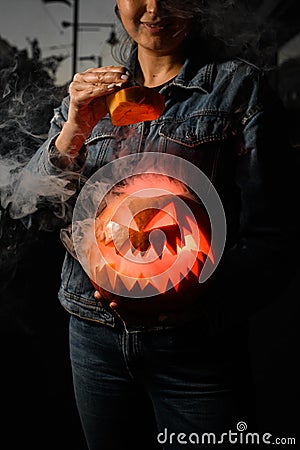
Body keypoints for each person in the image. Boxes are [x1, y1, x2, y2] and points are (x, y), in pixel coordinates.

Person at [9, 1, 299, 449]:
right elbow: (32, 206)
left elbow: (276, 237)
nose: (154, 8)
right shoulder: (92, 96)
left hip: (195, 350)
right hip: (93, 336)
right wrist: (72, 130)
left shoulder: (238, 88)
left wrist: (201, 301)